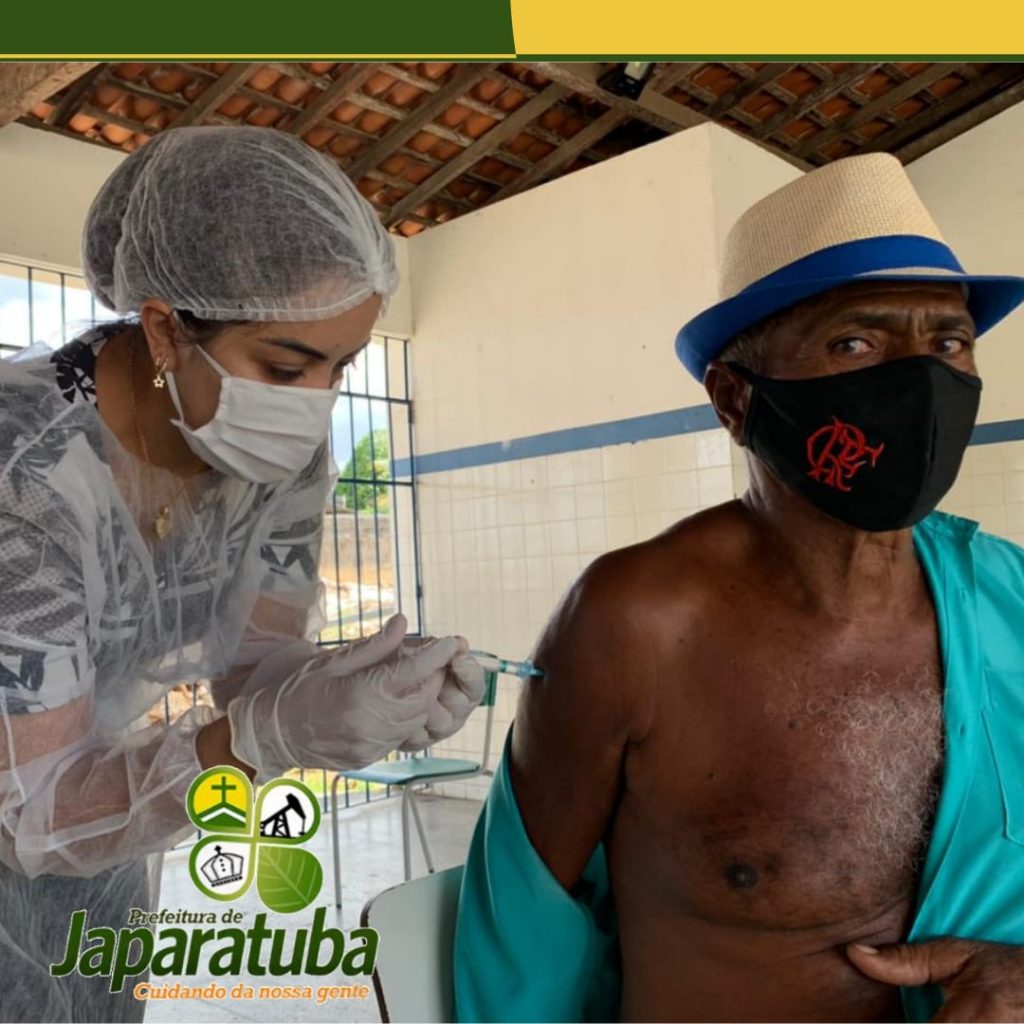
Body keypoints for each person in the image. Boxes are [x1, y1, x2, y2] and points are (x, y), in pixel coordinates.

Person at [454, 154, 1024, 1022]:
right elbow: (518, 944)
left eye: (948, 342)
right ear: (733, 399)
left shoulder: (1009, 599)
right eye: (856, 342)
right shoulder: (636, 624)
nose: (921, 380)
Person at [0, 126, 485, 1022]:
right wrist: (264, 738)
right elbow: (34, 813)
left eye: (342, 366)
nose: (316, 405)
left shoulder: (271, 457)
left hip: (97, 849)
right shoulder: (24, 479)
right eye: (285, 366)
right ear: (164, 331)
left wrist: (359, 693)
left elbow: (255, 660)